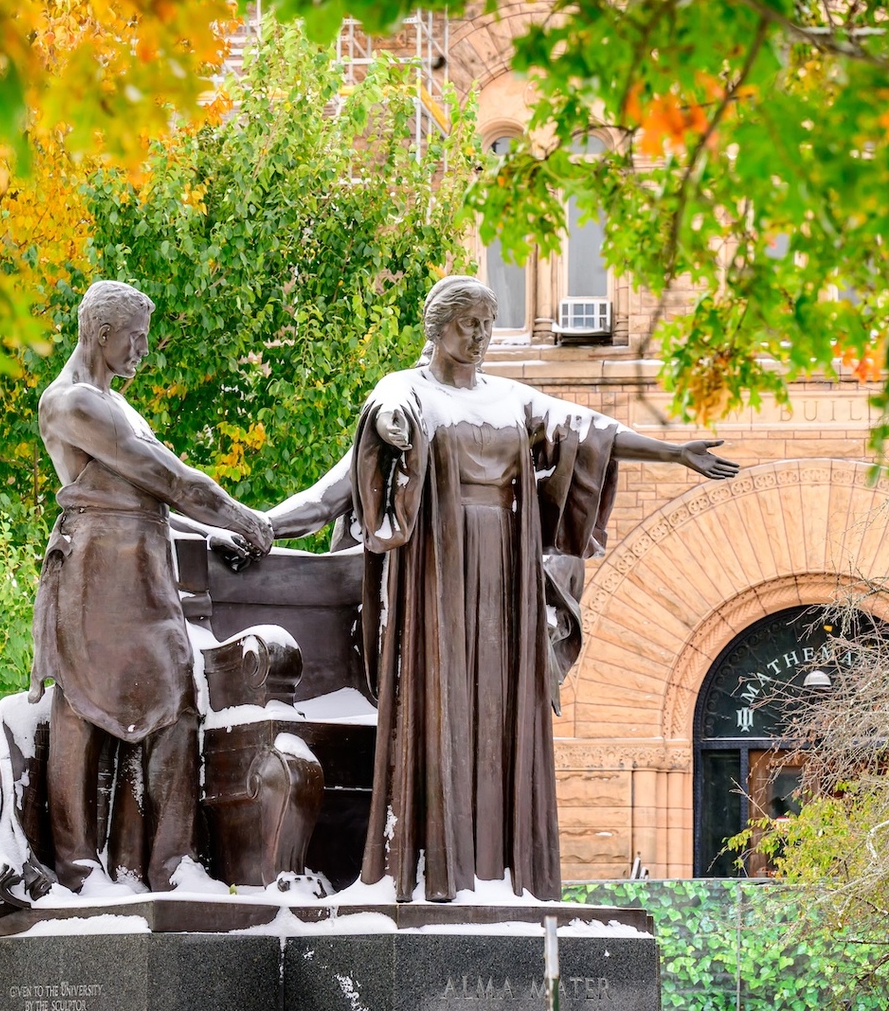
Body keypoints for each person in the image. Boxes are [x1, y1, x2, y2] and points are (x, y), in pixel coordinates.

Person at [266, 274, 737, 901]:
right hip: (437, 574)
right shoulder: (405, 391)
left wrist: (674, 453)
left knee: (501, 714)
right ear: (437, 327)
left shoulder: (511, 400)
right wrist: (263, 525)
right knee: (442, 708)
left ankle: (500, 874)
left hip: (504, 579)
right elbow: (356, 463)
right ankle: (435, 868)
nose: (482, 334)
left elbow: (592, 433)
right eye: (469, 322)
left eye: (489, 323)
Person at [34, 279, 273, 892]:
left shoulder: (120, 404)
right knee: (82, 705)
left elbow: (155, 496)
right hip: (96, 572)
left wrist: (208, 533)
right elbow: (167, 477)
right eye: (135, 340)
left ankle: (168, 863)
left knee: (178, 700)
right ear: (102, 334)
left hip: (145, 569)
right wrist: (239, 515)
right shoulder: (72, 404)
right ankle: (78, 865)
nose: (142, 352)